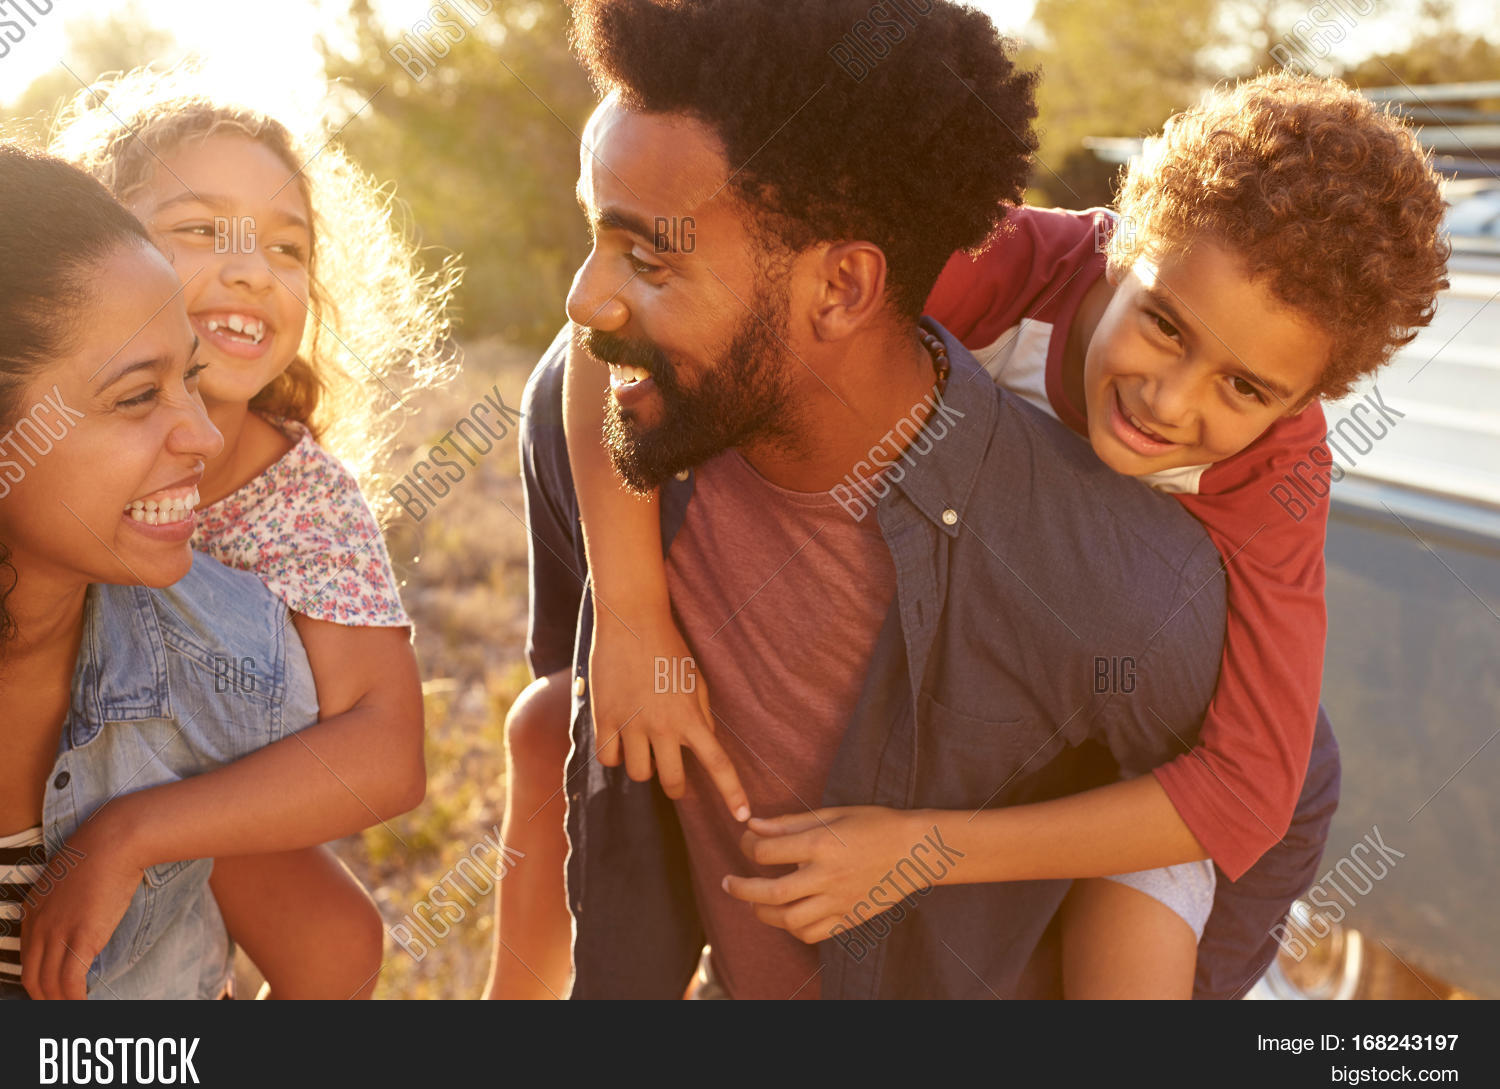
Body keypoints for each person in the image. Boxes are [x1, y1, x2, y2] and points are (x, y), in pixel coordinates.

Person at [494, 0, 1340, 1000]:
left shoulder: (1218, 532)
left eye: (1242, 386)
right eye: (1161, 325)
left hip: (1148, 806)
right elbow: (606, 332)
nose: (1170, 399)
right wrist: (632, 618)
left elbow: (1264, 789)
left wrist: (922, 850)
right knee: (552, 715)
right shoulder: (990, 268)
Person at [46, 67, 454, 998]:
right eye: (201, 230)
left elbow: (387, 753)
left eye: (287, 248)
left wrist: (138, 832)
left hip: (163, 804)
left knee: (339, 937)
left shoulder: (302, 496)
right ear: (92, 245)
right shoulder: (36, 427)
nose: (252, 271)